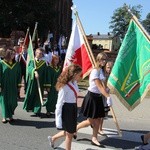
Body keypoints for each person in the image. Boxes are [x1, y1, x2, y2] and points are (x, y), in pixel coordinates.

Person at [76, 52, 113, 147]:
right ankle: (75, 128)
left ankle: (94, 138)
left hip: (98, 97)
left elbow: (103, 85)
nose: (104, 61)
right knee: (91, 121)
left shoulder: (101, 70)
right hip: (92, 97)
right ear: (98, 60)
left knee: (98, 120)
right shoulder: (95, 71)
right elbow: (99, 86)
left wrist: (107, 90)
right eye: (102, 59)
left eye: (105, 59)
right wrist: (108, 97)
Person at [48, 64, 82, 150]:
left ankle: (53, 138)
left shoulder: (74, 83)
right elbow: (59, 104)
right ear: (74, 74)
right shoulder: (65, 87)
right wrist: (58, 120)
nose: (80, 76)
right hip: (67, 109)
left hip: (73, 107)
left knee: (69, 131)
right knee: (70, 134)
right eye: (79, 74)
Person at [23, 47, 50, 117]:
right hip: (32, 82)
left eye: (41, 53)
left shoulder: (43, 63)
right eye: (38, 53)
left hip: (40, 82)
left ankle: (37, 110)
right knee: (31, 94)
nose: (40, 54)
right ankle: (29, 107)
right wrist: (34, 72)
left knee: (38, 96)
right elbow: (29, 69)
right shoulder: (32, 61)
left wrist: (46, 85)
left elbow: (46, 73)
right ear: (35, 53)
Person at [0, 47, 22, 123]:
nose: (13, 55)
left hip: (13, 86)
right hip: (4, 86)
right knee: (4, 101)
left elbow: (19, 75)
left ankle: (10, 114)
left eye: (14, 54)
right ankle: (4, 116)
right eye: (12, 53)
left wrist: (19, 86)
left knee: (12, 102)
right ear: (8, 54)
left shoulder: (17, 64)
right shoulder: (1, 63)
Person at [99, 61, 114, 135]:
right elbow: (103, 85)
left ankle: (99, 127)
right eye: (108, 67)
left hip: (106, 95)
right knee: (100, 113)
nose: (109, 69)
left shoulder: (110, 75)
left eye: (111, 68)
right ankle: (99, 128)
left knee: (104, 113)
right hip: (101, 95)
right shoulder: (102, 74)